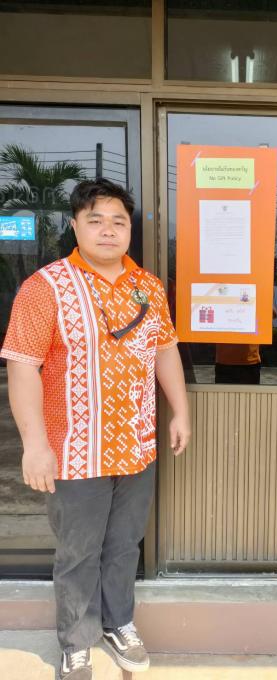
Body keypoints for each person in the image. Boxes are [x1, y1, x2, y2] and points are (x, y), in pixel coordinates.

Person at [0, 178, 190, 680]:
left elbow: (165, 349)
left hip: (137, 445)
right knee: (79, 550)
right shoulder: (45, 287)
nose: (108, 230)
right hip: (74, 449)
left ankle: (118, 622)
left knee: (125, 543)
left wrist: (181, 410)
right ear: (75, 226)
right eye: (96, 220)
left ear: (130, 230)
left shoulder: (148, 287)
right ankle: (76, 641)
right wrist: (34, 445)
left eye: (118, 221)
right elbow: (22, 366)